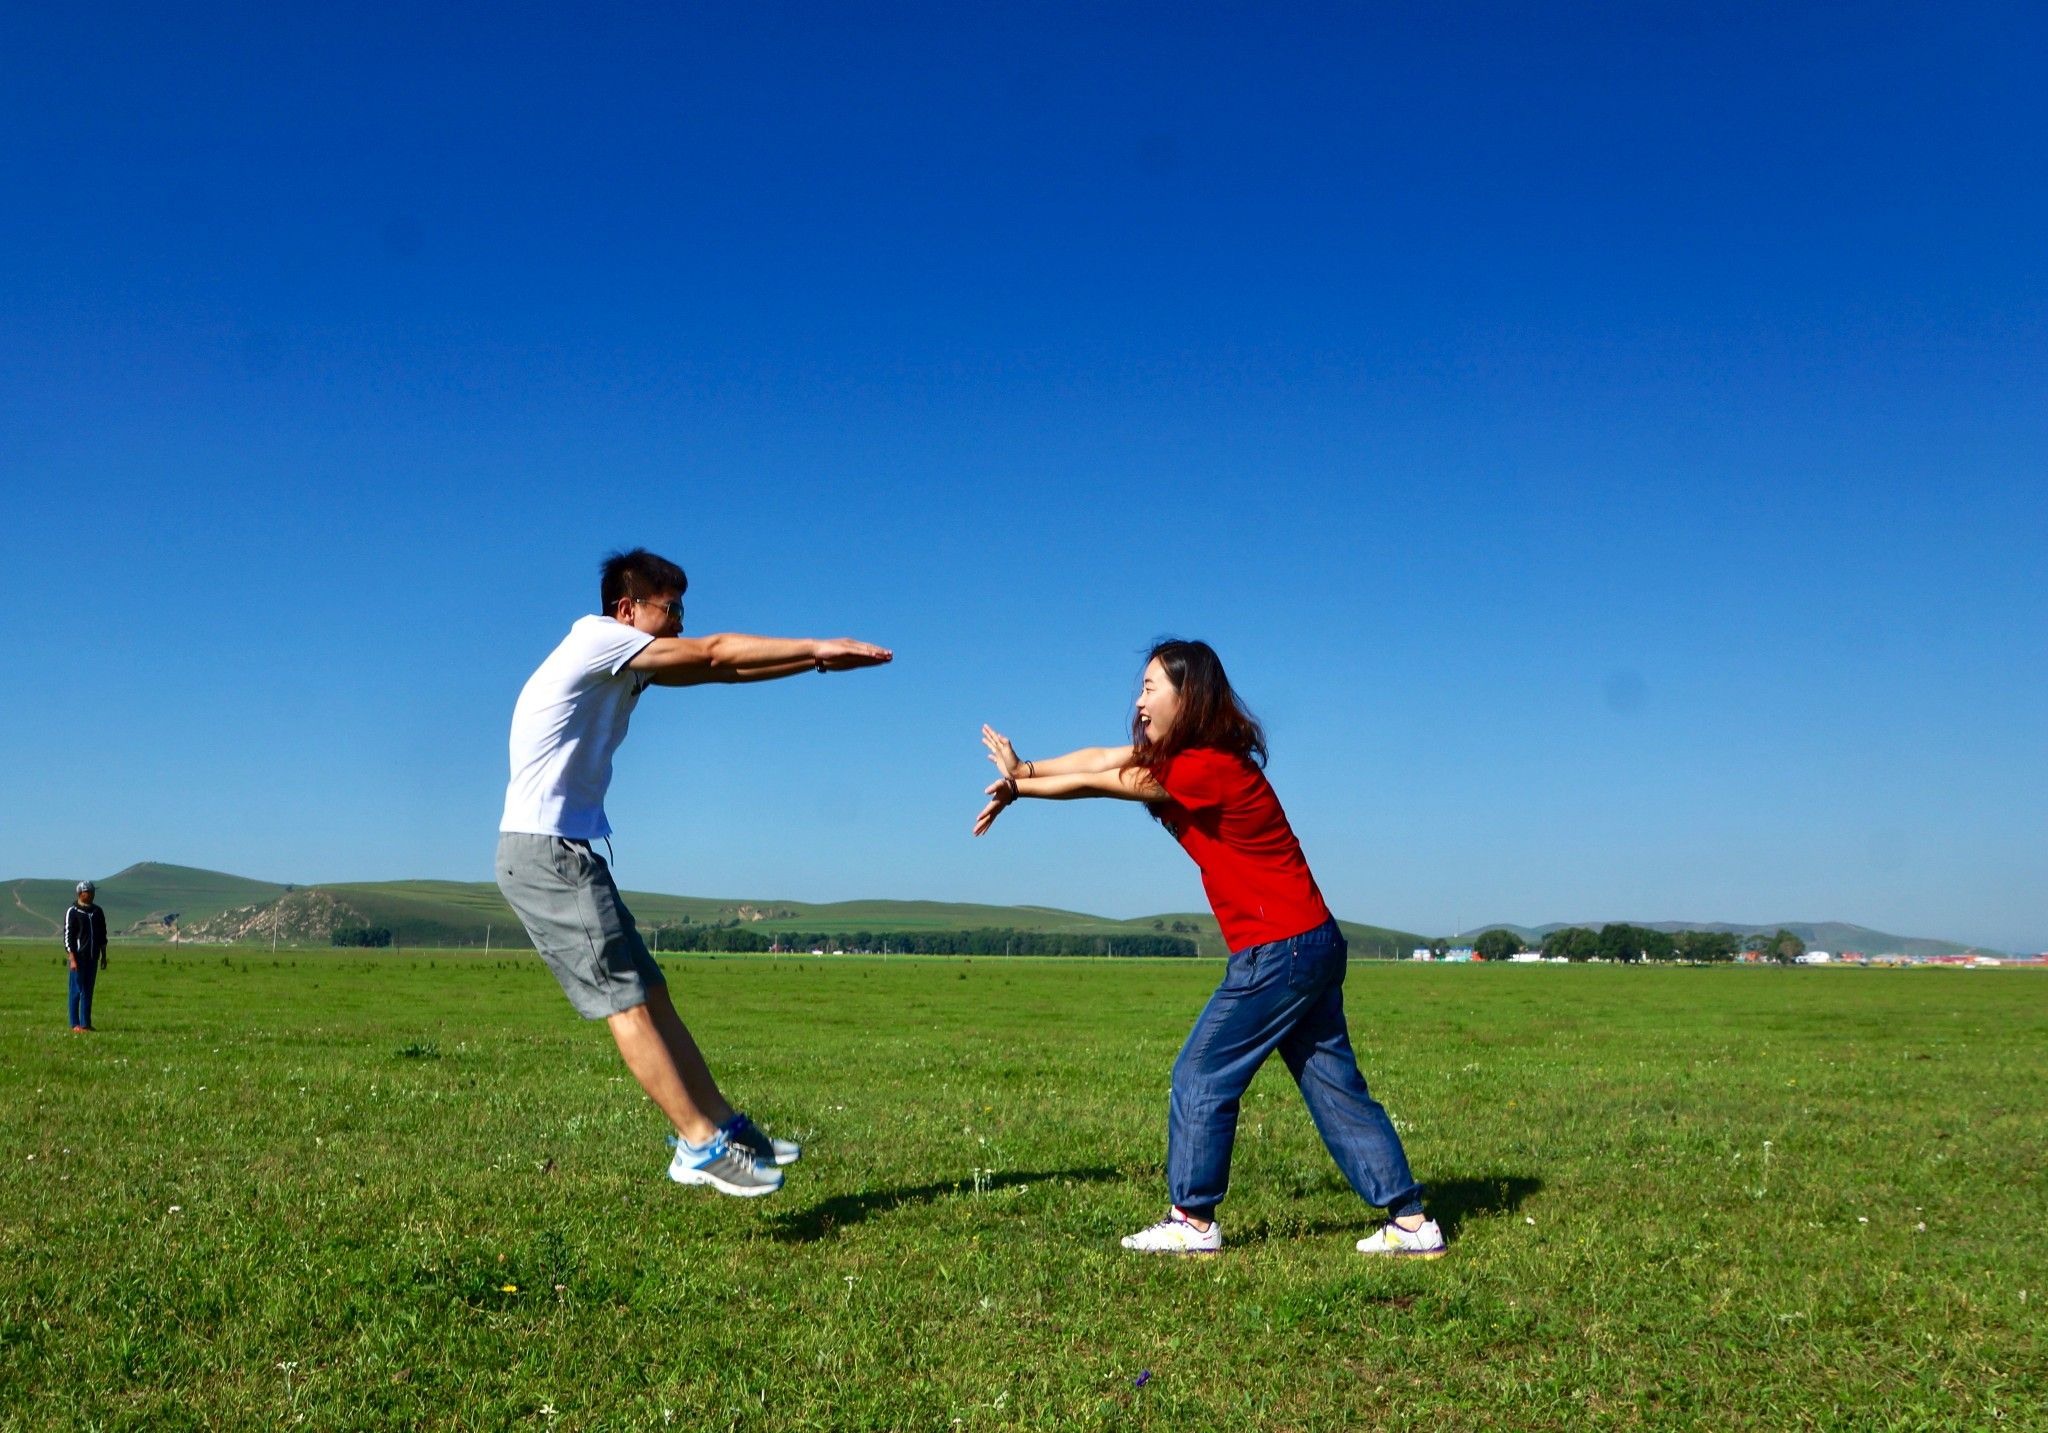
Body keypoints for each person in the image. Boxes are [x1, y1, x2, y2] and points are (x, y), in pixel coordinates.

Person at [974, 639, 1444, 1258]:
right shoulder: (1192, 759)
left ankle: (1192, 1221)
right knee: (1333, 1084)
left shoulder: (1203, 766)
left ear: (1187, 696)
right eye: (1139, 687)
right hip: (1310, 940)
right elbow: (1097, 757)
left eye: (1151, 687)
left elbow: (1101, 780)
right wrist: (1025, 769)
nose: (1138, 699)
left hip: (1278, 948)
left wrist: (1020, 787)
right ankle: (1411, 1223)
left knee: (1201, 1072)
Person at [497, 548, 891, 1197]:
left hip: (570, 851)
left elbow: (723, 669)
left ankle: (722, 1123)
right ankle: (696, 1144)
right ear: (627, 610)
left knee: (651, 992)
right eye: (669, 608)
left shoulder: (626, 666)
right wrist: (821, 645)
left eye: (683, 609)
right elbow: (712, 653)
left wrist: (813, 662)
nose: (679, 621)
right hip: (545, 851)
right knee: (624, 1002)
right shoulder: (597, 640)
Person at [64, 880, 109, 1032]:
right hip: (78, 958)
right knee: (76, 990)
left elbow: (102, 935)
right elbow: (68, 937)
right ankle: (74, 1024)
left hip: (93, 957)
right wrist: (72, 959)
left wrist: (103, 955)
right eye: (88, 892)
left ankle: (86, 1023)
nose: (92, 894)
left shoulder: (97, 912)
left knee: (88, 991)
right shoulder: (73, 912)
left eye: (93, 892)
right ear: (81, 894)